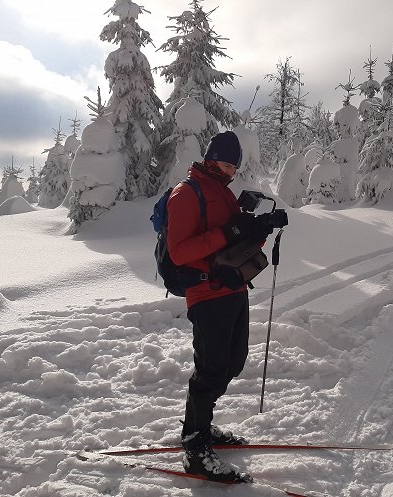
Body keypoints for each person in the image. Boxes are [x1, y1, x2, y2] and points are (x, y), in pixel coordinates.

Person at [167, 130, 273, 481]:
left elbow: (234, 243)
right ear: (209, 158)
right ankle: (195, 447)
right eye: (224, 162)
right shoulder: (187, 193)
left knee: (233, 360)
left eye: (234, 166)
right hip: (206, 293)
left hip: (233, 289)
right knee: (211, 368)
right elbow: (181, 250)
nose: (229, 170)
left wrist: (263, 228)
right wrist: (229, 231)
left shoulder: (224, 194)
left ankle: (202, 425)